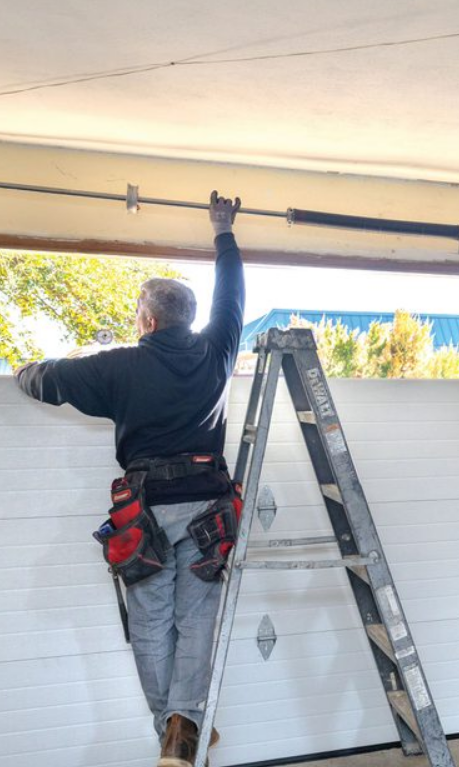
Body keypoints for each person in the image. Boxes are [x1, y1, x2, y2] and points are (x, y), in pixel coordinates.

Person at [16, 191, 245, 767]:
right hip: (208, 506)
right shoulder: (216, 352)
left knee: (150, 624)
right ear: (189, 320)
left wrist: (24, 369)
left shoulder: (118, 366)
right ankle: (185, 725)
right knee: (196, 620)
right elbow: (233, 299)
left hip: (145, 513)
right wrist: (223, 232)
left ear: (147, 320)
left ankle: (175, 731)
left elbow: (44, 381)